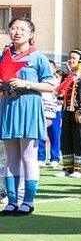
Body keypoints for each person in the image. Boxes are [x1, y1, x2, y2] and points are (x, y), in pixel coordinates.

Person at [0, 17, 57, 215]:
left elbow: (51, 84)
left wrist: (27, 84)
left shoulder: (38, 57)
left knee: (28, 156)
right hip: (9, 107)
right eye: (14, 28)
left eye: (22, 29)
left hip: (30, 108)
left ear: (31, 34)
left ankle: (29, 201)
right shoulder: (5, 56)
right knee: (10, 158)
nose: (17, 32)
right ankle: (12, 201)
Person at [53, 49, 81, 179]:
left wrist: (80, 110)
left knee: (80, 138)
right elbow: (62, 94)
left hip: (80, 113)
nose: (70, 60)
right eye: (69, 58)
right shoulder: (67, 77)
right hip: (66, 111)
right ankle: (67, 168)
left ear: (80, 61)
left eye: (73, 58)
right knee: (66, 138)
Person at [37, 59, 61, 170]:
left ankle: (55, 158)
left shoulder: (58, 80)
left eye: (50, 67)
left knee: (54, 135)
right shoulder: (39, 81)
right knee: (41, 134)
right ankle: (40, 157)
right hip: (41, 110)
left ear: (54, 69)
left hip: (55, 110)